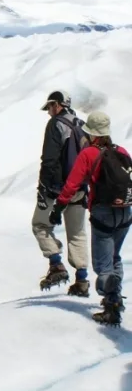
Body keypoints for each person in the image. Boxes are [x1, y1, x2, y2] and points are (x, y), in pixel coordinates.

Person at [50, 111, 132, 326]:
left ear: (92, 134)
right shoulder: (122, 151)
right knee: (114, 257)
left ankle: (111, 304)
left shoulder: (88, 154)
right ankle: (116, 298)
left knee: (102, 264)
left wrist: (58, 207)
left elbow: (72, 184)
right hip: (125, 212)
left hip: (103, 212)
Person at [33, 90, 90, 294]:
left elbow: (49, 159)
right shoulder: (82, 125)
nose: (49, 111)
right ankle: (82, 280)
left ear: (57, 105)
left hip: (58, 189)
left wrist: (43, 187)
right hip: (80, 188)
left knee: (40, 225)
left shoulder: (55, 124)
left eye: (49, 106)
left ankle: (56, 264)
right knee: (77, 233)